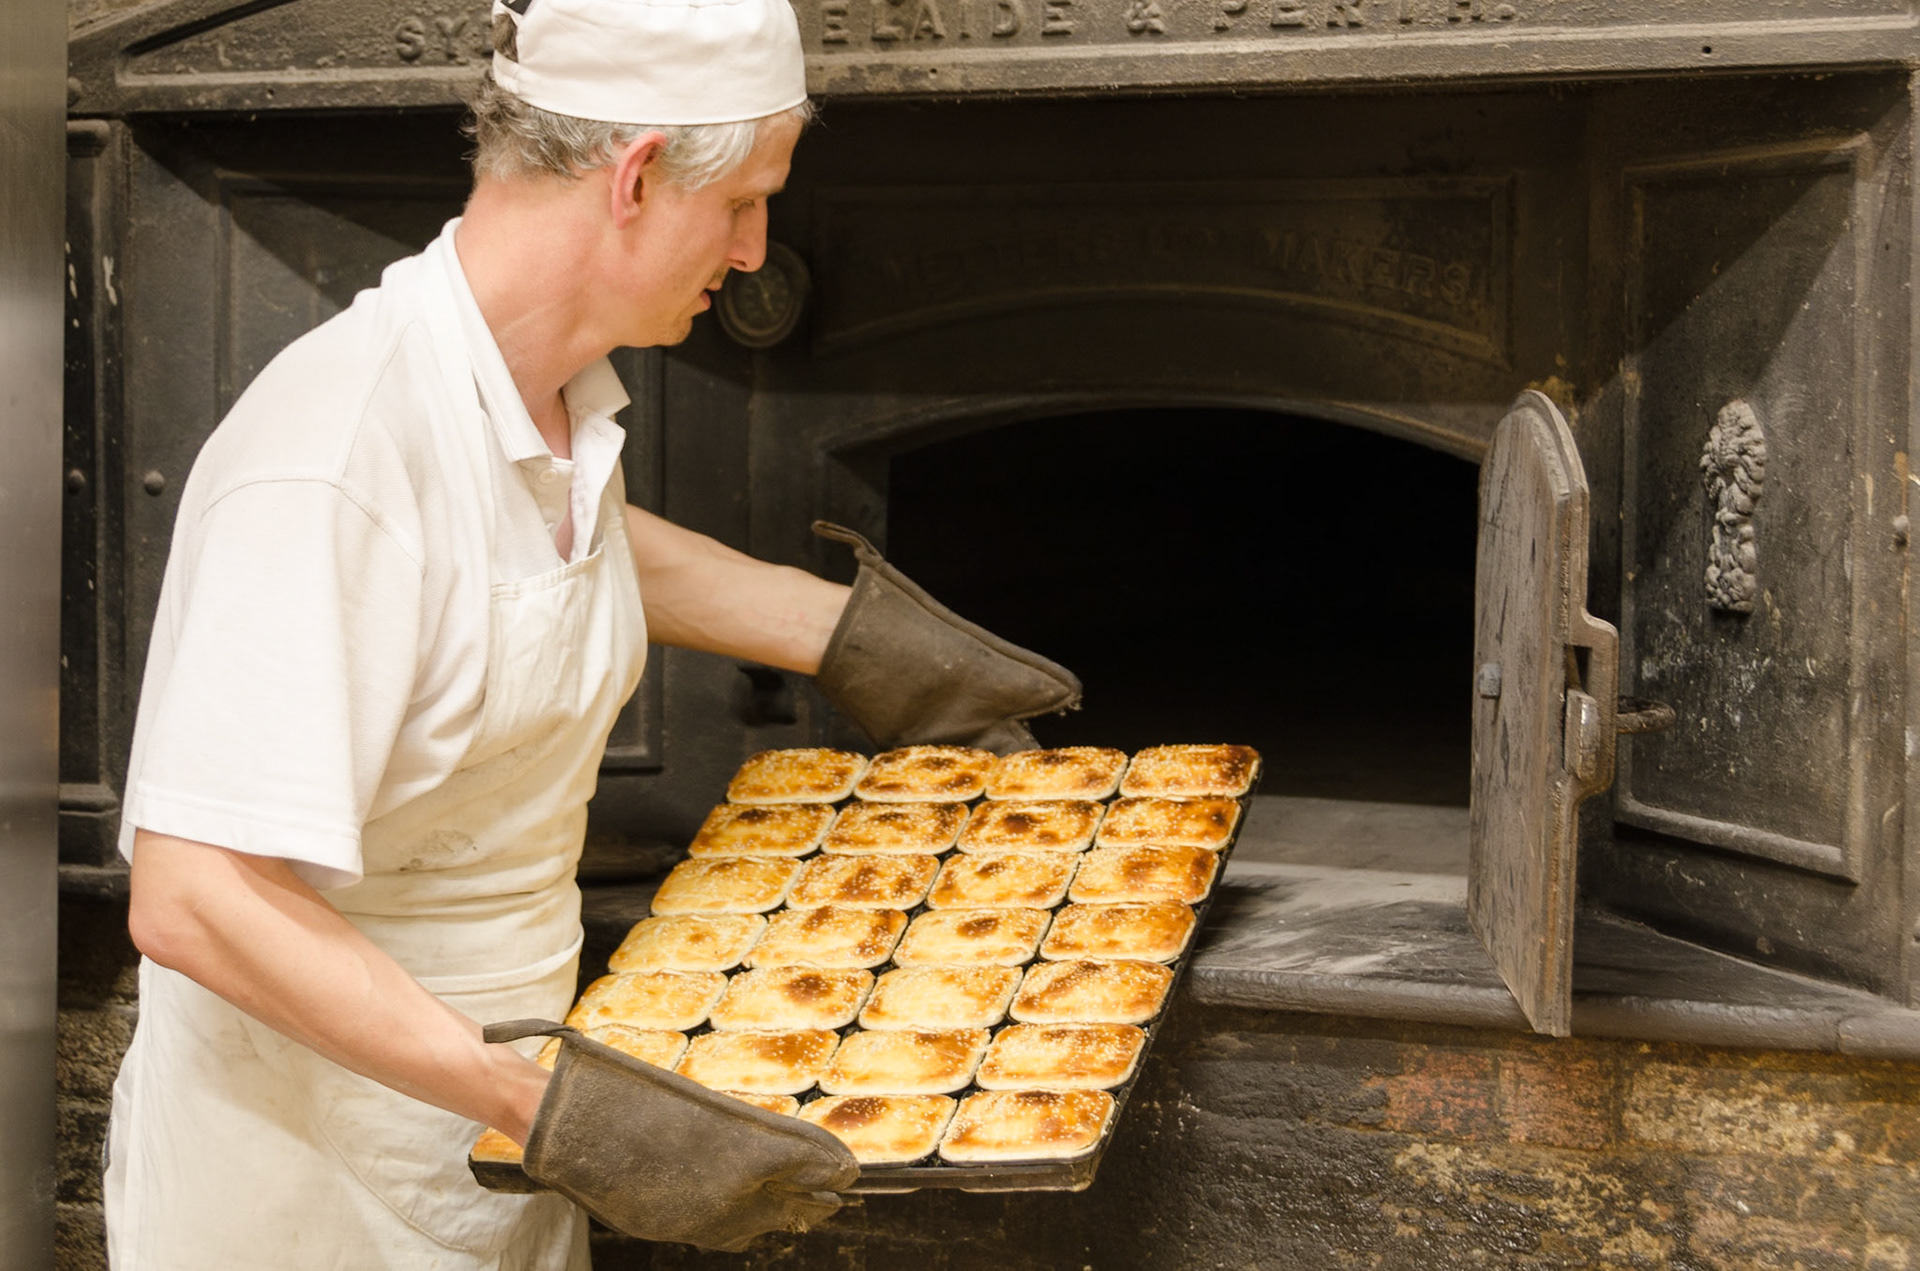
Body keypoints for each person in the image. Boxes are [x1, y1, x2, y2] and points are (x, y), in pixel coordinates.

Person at [102, 0, 1079, 1264]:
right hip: (309, 1180)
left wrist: (849, 635)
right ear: (634, 177)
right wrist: (556, 1110)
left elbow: (548, 549)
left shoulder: (522, 396)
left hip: (483, 1133)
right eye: (743, 204)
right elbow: (192, 898)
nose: (751, 251)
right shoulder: (332, 460)